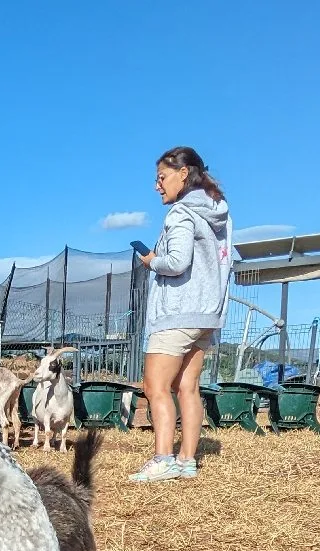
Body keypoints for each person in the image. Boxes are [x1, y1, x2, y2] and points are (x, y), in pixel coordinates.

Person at [131, 147, 232, 482]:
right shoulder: (217, 212)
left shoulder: (181, 213)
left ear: (183, 173)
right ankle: (187, 460)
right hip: (206, 314)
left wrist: (152, 261)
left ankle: (163, 459)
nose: (157, 185)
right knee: (188, 387)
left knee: (155, 386)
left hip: (178, 312)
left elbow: (176, 262)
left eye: (162, 177)